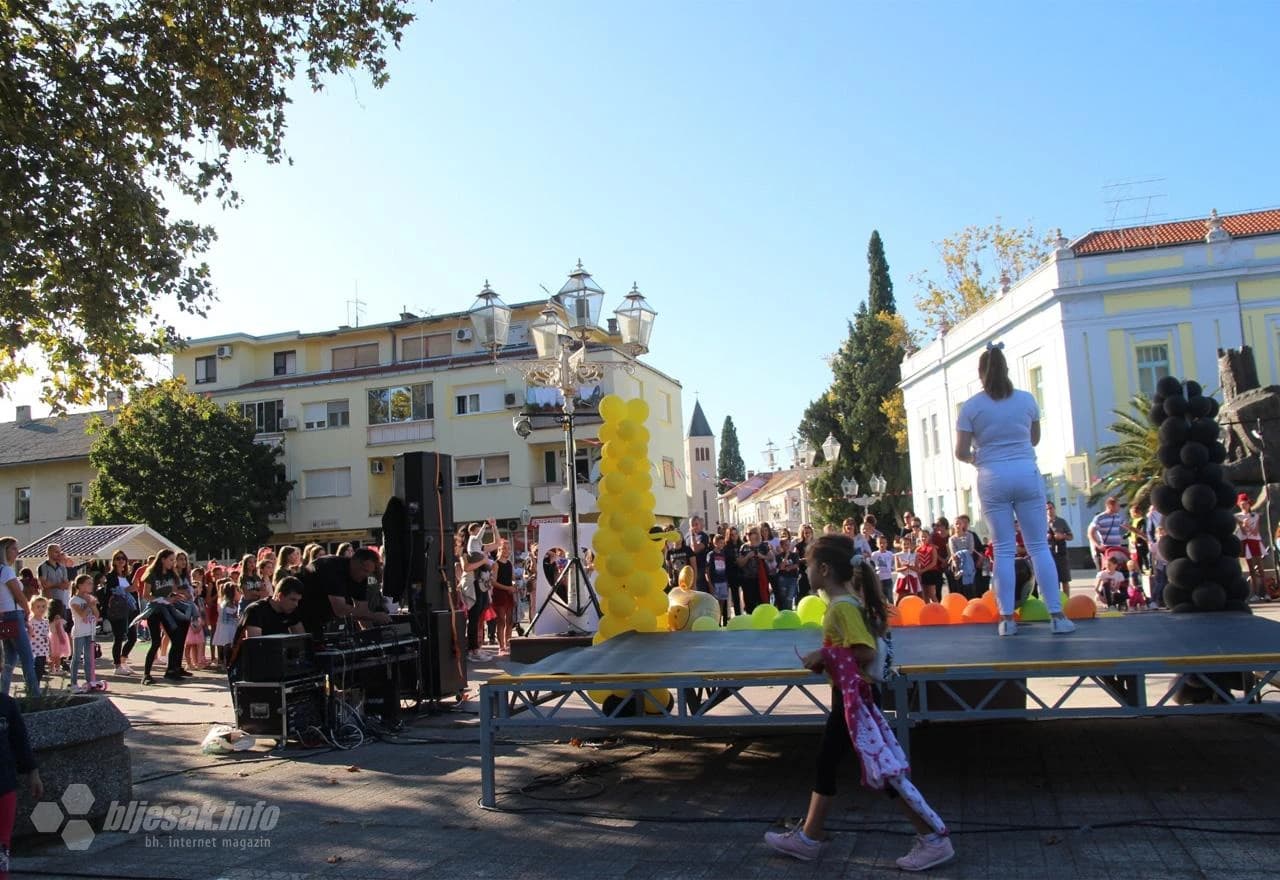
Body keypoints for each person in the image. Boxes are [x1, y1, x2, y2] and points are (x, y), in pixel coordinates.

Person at [764, 534, 953, 870]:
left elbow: (864, 651)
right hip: (851, 697)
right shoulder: (846, 602)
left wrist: (824, 655)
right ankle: (809, 837)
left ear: (824, 569)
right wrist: (828, 659)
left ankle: (933, 839)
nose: (806, 571)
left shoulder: (842, 607)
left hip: (857, 700)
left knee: (882, 769)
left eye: (809, 565)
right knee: (830, 762)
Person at [954, 343, 1075, 637]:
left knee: (1004, 549)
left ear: (980, 373)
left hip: (991, 476)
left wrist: (976, 458)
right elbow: (1034, 439)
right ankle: (1057, 616)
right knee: (1039, 546)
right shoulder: (1026, 399)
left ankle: (1007, 619)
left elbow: (960, 451)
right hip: (1025, 472)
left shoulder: (971, 407)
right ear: (1007, 369)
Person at [295, 549, 388, 641]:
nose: (366, 575)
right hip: (300, 611)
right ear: (354, 562)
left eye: (369, 572)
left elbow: (363, 613)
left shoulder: (361, 577)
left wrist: (374, 639)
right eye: (365, 570)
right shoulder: (333, 569)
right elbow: (340, 609)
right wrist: (374, 616)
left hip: (323, 615)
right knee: (308, 643)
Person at [1, 691, 44, 879]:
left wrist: (33, 773)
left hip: (4, 787)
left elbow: (20, 742)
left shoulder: (7, 704)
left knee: (2, 842)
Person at [0, 537, 39, 698]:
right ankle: (35, 697)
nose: (18, 551)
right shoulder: (6, 571)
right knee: (27, 658)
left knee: (10, 659)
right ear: (5, 551)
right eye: (14, 548)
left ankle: (3, 694)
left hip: (4, 615)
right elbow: (18, 594)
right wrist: (27, 610)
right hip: (14, 614)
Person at [104, 551, 138, 676]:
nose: (121, 560)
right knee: (118, 637)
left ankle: (123, 660)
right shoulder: (110, 576)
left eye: (123, 558)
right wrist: (127, 589)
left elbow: (133, 591)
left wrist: (130, 589)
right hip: (117, 610)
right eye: (118, 558)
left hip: (129, 609)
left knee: (133, 637)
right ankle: (117, 666)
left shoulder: (127, 576)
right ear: (113, 561)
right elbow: (110, 592)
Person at [68, 574, 104, 693]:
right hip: (79, 632)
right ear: (80, 585)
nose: (91, 585)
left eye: (91, 583)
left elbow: (97, 615)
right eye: (88, 583)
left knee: (89, 658)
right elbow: (82, 614)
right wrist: (88, 604)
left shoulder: (90, 598)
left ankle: (90, 681)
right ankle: (73, 683)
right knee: (76, 657)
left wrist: (93, 605)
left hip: (90, 631)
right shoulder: (74, 600)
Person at [1235, 493, 1266, 602]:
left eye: (1246, 503)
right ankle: (1255, 594)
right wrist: (1243, 524)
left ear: (1249, 504)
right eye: (1242, 504)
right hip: (1245, 542)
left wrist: (1248, 525)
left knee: (1261, 569)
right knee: (1251, 569)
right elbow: (1243, 531)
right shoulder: (1237, 516)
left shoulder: (1255, 515)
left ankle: (1265, 593)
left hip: (1255, 541)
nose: (1244, 506)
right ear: (1239, 505)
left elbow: (1256, 531)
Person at [1088, 497, 1133, 570]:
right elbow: (1090, 533)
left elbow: (1129, 527)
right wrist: (1098, 546)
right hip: (1106, 549)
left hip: (1117, 549)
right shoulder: (1099, 518)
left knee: (1122, 568)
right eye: (1117, 505)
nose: (1119, 508)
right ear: (1110, 506)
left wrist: (1144, 536)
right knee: (1107, 570)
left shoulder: (1118, 517)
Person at [490, 541, 517, 657]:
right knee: (501, 620)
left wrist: (515, 585)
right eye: (504, 548)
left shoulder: (510, 563)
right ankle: (501, 647)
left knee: (509, 620)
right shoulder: (496, 564)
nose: (507, 550)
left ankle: (508, 643)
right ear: (499, 550)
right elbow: (493, 582)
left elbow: (513, 578)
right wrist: (508, 588)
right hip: (499, 594)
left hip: (509, 594)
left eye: (508, 548)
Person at [1045, 502, 1074, 597]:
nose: (1049, 511)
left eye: (1050, 508)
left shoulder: (1061, 521)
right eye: (1047, 509)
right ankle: (1056, 601)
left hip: (1061, 553)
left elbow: (1071, 536)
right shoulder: (1042, 523)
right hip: (1048, 554)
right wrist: (1046, 537)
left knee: (1065, 579)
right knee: (1053, 580)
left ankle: (1067, 601)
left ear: (1054, 508)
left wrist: (1062, 536)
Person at [36, 544, 71, 619]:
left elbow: (66, 585)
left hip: (62, 603)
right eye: (56, 552)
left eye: (59, 552)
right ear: (48, 552)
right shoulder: (43, 567)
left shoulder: (62, 567)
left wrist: (51, 585)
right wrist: (59, 585)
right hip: (49, 603)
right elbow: (44, 585)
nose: (59, 554)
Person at [948, 516, 978, 599]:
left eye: (960, 523)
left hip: (969, 565)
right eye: (956, 524)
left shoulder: (969, 535)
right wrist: (962, 554)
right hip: (958, 565)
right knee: (959, 590)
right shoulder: (952, 539)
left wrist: (962, 554)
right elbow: (954, 553)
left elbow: (971, 549)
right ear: (953, 525)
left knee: (971, 589)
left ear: (963, 525)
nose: (958, 526)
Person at [27, 597, 51, 686]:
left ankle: (36, 686)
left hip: (43, 650)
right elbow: (28, 636)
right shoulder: (31, 621)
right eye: (38, 607)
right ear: (32, 608)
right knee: (35, 669)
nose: (41, 609)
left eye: (43, 606)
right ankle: (33, 687)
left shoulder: (46, 621)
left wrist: (50, 650)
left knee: (40, 670)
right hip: (33, 650)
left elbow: (47, 637)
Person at [774, 537, 800, 611]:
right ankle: (783, 612)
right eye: (786, 545)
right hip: (782, 578)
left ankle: (789, 612)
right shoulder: (778, 556)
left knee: (790, 597)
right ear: (782, 546)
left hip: (792, 578)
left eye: (789, 544)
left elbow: (797, 565)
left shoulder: (795, 555)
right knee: (783, 597)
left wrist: (790, 567)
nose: (788, 546)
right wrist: (786, 556)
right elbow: (781, 567)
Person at [894, 534, 921, 600]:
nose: (906, 546)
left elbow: (917, 569)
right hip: (902, 578)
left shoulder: (915, 555)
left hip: (913, 577)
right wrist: (905, 568)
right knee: (899, 597)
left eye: (908, 544)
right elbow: (897, 569)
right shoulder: (897, 555)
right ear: (901, 545)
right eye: (904, 544)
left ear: (910, 545)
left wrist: (910, 567)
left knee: (914, 596)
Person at [871, 535, 895, 604]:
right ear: (877, 544)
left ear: (887, 544)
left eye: (884, 543)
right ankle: (882, 609)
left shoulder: (890, 554)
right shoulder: (874, 554)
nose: (882, 544)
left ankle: (892, 609)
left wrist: (892, 568)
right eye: (880, 543)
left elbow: (894, 562)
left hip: (888, 578)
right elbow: (870, 562)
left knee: (890, 597)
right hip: (879, 579)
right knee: (881, 597)